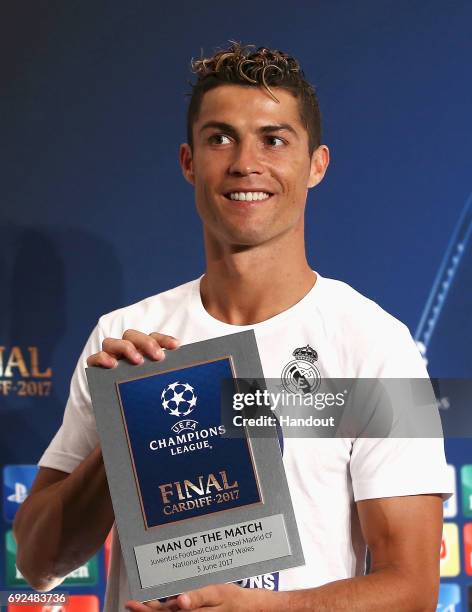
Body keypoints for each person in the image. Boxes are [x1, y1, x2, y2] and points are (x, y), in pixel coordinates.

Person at [14, 43, 451, 611]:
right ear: (188, 162)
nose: (246, 163)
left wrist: (255, 607)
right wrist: (124, 435)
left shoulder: (380, 345)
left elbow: (413, 590)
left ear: (316, 165)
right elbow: (37, 562)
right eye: (220, 138)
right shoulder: (125, 336)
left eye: (274, 139)